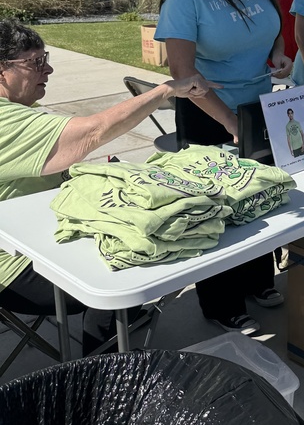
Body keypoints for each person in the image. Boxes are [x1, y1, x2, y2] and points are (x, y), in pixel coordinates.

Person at [0, 19, 211, 353]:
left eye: (46, 58)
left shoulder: (20, 108)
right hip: (13, 269)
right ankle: (103, 377)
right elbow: (91, 132)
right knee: (129, 257)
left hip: (32, 236)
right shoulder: (6, 120)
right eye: (35, 63)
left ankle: (116, 333)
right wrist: (165, 90)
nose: (49, 69)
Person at [156, 0, 292, 335]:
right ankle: (220, 303)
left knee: (260, 199)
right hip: (208, 114)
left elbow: (273, 33)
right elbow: (182, 74)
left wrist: (278, 55)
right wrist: (230, 123)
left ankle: (258, 279)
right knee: (218, 211)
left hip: (258, 107)